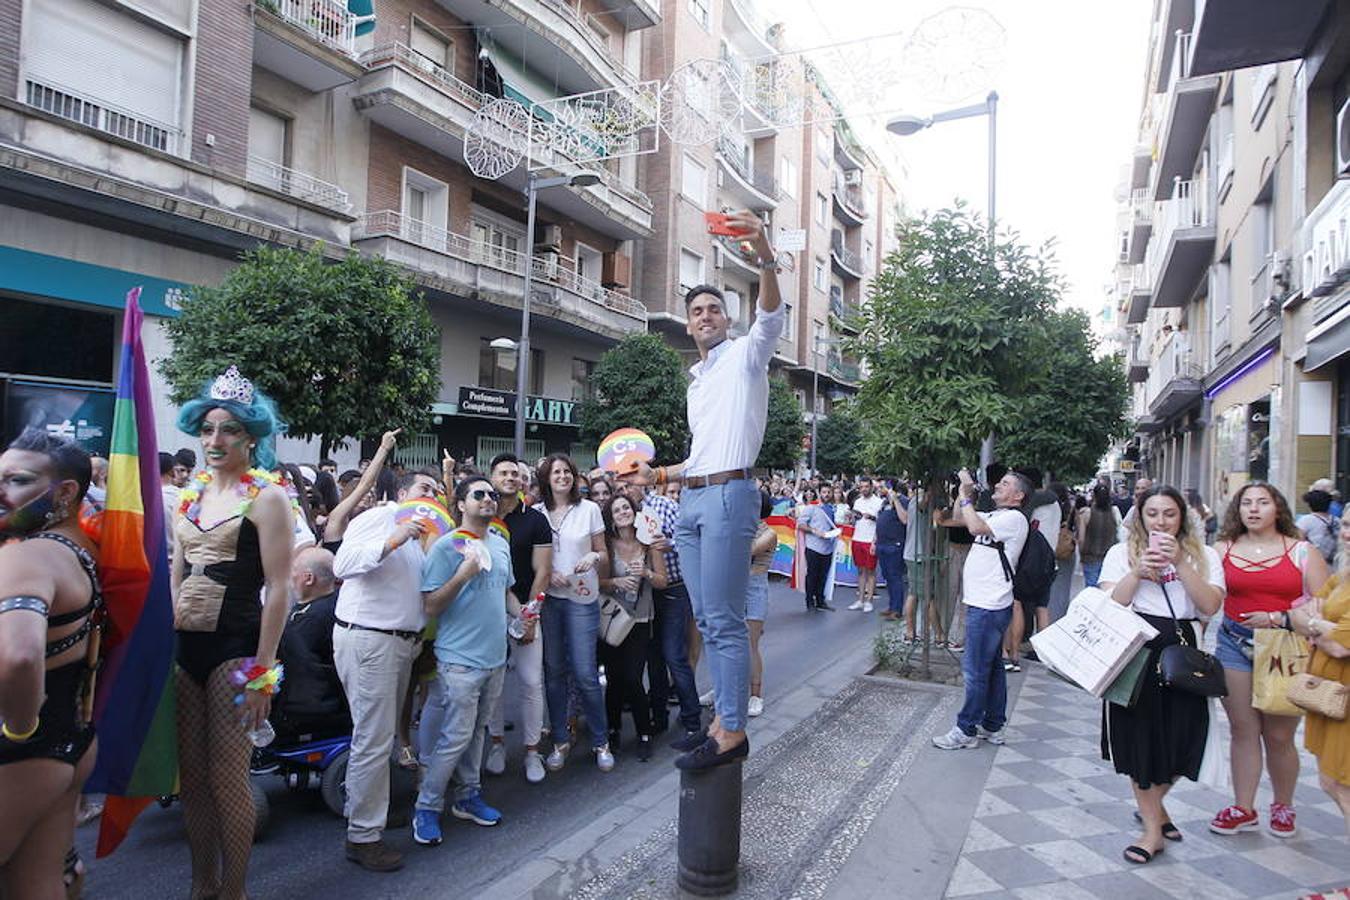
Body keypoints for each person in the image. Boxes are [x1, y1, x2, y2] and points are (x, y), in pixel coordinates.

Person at [624, 209, 785, 769]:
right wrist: (658, 475)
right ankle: (719, 721)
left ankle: (733, 730)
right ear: (688, 325)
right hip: (691, 498)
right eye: (697, 311)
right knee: (707, 618)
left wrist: (763, 252)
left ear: (726, 319)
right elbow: (700, 454)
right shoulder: (697, 382)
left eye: (715, 308)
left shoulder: (746, 356)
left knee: (723, 619)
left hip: (727, 497)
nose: (706, 316)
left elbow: (770, 317)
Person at [171, 368, 293, 899]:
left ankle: (235, 891)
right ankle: (202, 886)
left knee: (227, 779)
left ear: (251, 437)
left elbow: (281, 585)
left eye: (228, 431)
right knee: (192, 783)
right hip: (182, 647)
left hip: (235, 649)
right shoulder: (188, 495)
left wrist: (262, 670)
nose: (215, 441)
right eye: (207, 429)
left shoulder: (268, 498)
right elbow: (177, 572)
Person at [1098, 485, 1225, 864]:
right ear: (1140, 515)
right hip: (1134, 652)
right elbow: (1111, 603)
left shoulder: (1205, 555)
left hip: (1183, 655)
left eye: (1169, 513)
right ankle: (1152, 830)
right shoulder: (1121, 553)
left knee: (1186, 738)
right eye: (1152, 513)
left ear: (1182, 517)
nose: (1161, 521)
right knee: (1138, 741)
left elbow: (1210, 605)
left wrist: (1182, 564)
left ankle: (1156, 808)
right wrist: (1138, 572)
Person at [0, 430, 101, 898]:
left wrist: (18, 727)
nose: (1, 492)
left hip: (20, 752)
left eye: (17, 480)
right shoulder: (77, 550)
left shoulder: (30, 556)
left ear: (64, 493)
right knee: (36, 884)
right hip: (67, 744)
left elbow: (19, 656)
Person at [332, 465, 442, 872]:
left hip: (399, 645)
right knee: (374, 738)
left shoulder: (427, 534)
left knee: (378, 736)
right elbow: (342, 564)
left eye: (437, 490)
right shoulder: (380, 518)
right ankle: (363, 835)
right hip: (371, 639)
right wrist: (393, 540)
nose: (432, 495)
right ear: (400, 492)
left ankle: (366, 815)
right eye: (424, 488)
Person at [1210, 482, 1329, 839]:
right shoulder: (1222, 549)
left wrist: (1278, 617)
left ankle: (1283, 805)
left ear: (1278, 508)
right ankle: (1243, 807)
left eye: (1263, 502)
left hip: (1286, 650)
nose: (1254, 509)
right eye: (1247, 503)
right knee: (1242, 730)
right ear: (1238, 510)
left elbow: (1323, 606)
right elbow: (1208, 595)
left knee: (1278, 736)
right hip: (1233, 644)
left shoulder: (1303, 552)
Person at [412, 476, 512, 847]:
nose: (488, 499)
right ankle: (426, 807)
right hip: (459, 662)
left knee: (477, 733)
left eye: (492, 495)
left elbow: (505, 592)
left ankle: (467, 796)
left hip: (495, 658)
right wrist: (463, 574)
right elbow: (431, 605)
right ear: (461, 504)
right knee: (455, 737)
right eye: (479, 494)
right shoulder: (444, 548)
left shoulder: (500, 544)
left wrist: (523, 615)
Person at [932, 468, 1031, 750]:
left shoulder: (1014, 518)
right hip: (984, 602)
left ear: (1018, 495)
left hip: (989, 604)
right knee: (991, 669)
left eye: (1006, 483)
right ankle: (993, 725)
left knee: (974, 669)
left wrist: (967, 497)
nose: (999, 485)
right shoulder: (998, 515)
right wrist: (965, 492)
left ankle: (966, 730)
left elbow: (974, 528)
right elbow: (964, 517)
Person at [534, 453, 613, 773]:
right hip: (550, 598)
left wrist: (593, 557)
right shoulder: (537, 512)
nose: (563, 477)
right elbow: (531, 555)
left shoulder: (590, 509)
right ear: (546, 478)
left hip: (582, 597)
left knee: (584, 672)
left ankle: (600, 740)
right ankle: (560, 740)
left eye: (567, 471)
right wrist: (548, 572)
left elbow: (603, 552)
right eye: (556, 472)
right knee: (553, 672)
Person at [484, 453, 552, 783]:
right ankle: (496, 743)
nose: (510, 477)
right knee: (494, 685)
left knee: (530, 682)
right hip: (485, 614)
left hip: (526, 608)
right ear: (492, 478)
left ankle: (531, 750)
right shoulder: (482, 513)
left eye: (515, 473)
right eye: (503, 473)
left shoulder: (536, 520)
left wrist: (530, 615)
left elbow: (543, 570)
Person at [622, 480, 701, 740]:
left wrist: (670, 544)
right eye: (619, 487)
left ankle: (692, 719)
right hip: (645, 591)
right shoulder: (622, 512)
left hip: (675, 589)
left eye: (627, 485)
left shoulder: (664, 505)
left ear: (640, 485)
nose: (624, 491)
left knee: (673, 654)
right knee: (652, 655)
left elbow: (690, 538)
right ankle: (659, 716)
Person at [1293, 506, 1350, 837]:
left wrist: (1315, 624)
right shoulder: (1341, 575)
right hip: (1329, 693)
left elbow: (1342, 645)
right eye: (1344, 524)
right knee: (1331, 782)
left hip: (1344, 694)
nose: (1347, 533)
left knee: (1341, 785)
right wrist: (1320, 625)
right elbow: (1298, 613)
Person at [598, 493, 669, 760]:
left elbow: (663, 580)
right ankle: (613, 729)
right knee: (614, 679)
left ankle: (644, 733)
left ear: (634, 511)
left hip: (640, 620)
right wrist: (617, 582)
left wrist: (646, 574)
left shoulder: (649, 544)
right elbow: (597, 582)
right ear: (611, 517)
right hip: (612, 618)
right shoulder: (607, 544)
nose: (623, 512)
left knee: (633, 677)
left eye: (626, 507)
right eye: (617, 510)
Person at [272, 547, 347, 740]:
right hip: (333, 701)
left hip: (308, 708)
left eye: (293, 570)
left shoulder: (309, 620)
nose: (290, 576)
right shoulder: (338, 605)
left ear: (308, 578)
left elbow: (293, 666)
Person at [746, 491, 777, 717]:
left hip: (755, 588)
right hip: (735, 586)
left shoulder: (769, 533)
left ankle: (755, 695)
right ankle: (722, 690)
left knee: (750, 644)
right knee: (728, 643)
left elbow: (748, 551)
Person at [848, 478, 883, 613]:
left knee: (871, 571)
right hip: (858, 537)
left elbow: (880, 523)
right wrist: (852, 517)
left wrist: (875, 541)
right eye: (862, 487)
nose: (864, 489)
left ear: (871, 487)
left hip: (870, 539)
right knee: (861, 570)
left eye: (866, 487)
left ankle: (869, 600)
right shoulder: (857, 501)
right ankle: (860, 599)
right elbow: (855, 521)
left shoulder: (878, 502)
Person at [798, 493, 838, 612]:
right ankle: (809, 601)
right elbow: (801, 524)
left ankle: (821, 600)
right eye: (824, 492)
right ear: (819, 493)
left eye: (828, 492)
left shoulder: (831, 509)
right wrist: (814, 531)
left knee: (823, 575)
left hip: (827, 547)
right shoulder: (811, 508)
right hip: (813, 546)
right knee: (812, 575)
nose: (826, 495)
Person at [876, 483, 908, 622]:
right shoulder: (884, 502)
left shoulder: (903, 501)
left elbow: (905, 519)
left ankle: (897, 609)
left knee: (895, 577)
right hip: (882, 544)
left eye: (881, 486)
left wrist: (895, 500)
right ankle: (891, 606)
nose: (878, 488)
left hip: (895, 544)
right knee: (887, 577)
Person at [1078, 483, 1121, 588]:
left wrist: (1081, 555)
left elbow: (1081, 539)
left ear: (1094, 496)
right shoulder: (1114, 512)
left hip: (1090, 557)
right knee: (1107, 589)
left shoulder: (1086, 514)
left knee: (1092, 588)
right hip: (1110, 558)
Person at [1046, 483, 1077, 622]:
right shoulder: (1070, 509)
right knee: (1064, 588)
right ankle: (1061, 619)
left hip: (1052, 550)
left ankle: (1050, 620)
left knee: (1051, 590)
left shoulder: (1047, 509)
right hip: (1068, 551)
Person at [1298, 489, 1338, 567]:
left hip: (1314, 563)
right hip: (1335, 564)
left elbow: (1298, 541)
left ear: (1310, 505)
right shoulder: (1337, 520)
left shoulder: (1306, 520)